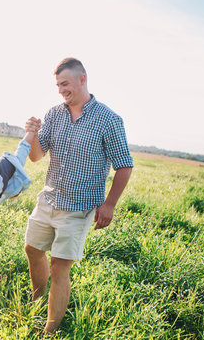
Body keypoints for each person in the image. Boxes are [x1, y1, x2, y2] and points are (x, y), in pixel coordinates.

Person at [24, 58, 134, 334]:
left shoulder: (109, 119)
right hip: (48, 199)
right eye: (58, 85)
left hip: (79, 207)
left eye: (66, 84)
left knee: (60, 267)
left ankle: (50, 330)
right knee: (32, 250)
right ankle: (37, 302)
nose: (61, 90)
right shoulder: (54, 114)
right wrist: (32, 135)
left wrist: (109, 204)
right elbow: (37, 157)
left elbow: (124, 165)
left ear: (82, 79)